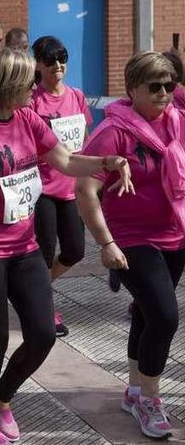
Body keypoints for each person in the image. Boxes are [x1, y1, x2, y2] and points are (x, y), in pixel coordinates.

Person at [0, 48, 132, 445]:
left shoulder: (27, 118)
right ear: (8, 86)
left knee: (43, 334)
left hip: (23, 247)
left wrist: (106, 162)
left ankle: (3, 397)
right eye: (28, 81)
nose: (35, 87)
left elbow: (65, 161)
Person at [77, 51, 184, 440]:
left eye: (168, 85)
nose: (163, 93)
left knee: (147, 312)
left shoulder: (178, 123)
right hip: (131, 239)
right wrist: (105, 243)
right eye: (153, 86)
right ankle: (150, 401)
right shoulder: (114, 132)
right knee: (165, 317)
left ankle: (134, 390)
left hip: (174, 234)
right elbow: (85, 191)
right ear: (132, 89)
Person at [30, 36, 91, 337]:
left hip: (70, 187)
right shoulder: (32, 101)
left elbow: (84, 139)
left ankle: (34, 291)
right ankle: (44, 307)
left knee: (75, 250)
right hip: (43, 189)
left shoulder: (77, 96)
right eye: (50, 60)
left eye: (62, 58)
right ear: (38, 64)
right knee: (43, 253)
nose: (58, 65)